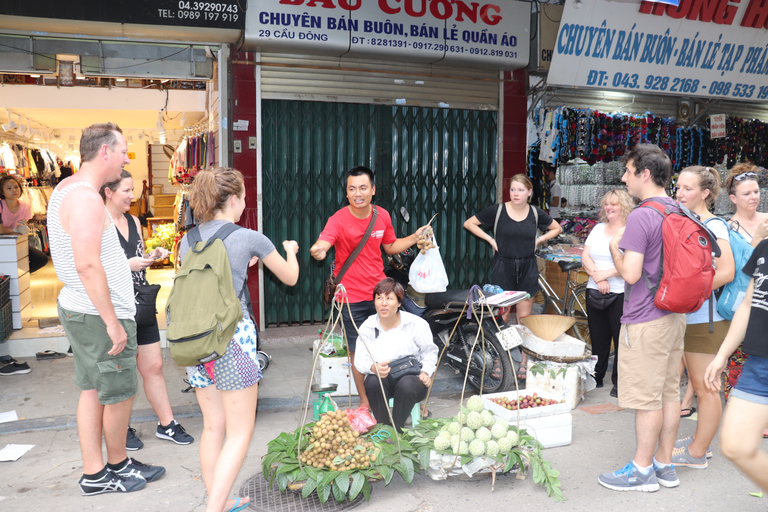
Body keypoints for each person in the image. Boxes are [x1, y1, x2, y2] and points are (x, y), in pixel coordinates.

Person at [48, 123, 165, 496]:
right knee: (117, 392)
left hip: (85, 310)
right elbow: (86, 264)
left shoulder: (68, 188)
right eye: (123, 151)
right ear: (104, 153)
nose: (126, 159)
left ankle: (98, 472)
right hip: (99, 315)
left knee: (93, 390)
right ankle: (113, 467)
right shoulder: (84, 197)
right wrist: (113, 322)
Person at [180, 167, 299, 512]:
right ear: (233, 200)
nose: (245, 203)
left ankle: (219, 498)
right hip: (233, 340)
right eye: (244, 197)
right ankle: (213, 509)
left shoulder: (188, 240)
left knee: (213, 428)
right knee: (239, 433)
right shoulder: (249, 237)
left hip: (196, 342)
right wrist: (289, 249)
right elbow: (290, 278)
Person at [598, 144, 686, 492]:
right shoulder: (677, 209)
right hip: (675, 315)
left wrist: (612, 251)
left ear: (644, 174)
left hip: (646, 319)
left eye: (628, 171)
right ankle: (665, 465)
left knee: (647, 399)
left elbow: (631, 274)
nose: (624, 177)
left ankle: (640, 470)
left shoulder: (642, 215)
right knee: (668, 393)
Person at [310, 166, 427, 408]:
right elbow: (324, 242)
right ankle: (365, 401)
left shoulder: (382, 215)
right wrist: (319, 249)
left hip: (380, 295)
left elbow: (390, 246)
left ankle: (396, 393)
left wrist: (415, 237)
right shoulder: (338, 219)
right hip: (350, 297)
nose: (357, 193)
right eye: (352, 189)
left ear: (372, 190)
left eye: (363, 188)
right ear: (346, 192)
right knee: (358, 352)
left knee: (394, 343)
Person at [101, 170, 194, 451]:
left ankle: (167, 424)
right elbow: (88, 269)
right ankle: (121, 427)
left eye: (132, 190)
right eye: (126, 191)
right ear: (108, 192)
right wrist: (126, 266)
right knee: (121, 371)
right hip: (114, 305)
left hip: (140, 301)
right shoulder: (98, 224)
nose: (133, 195)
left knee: (153, 366)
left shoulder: (133, 221)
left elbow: (134, 259)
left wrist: (150, 258)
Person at [463, 174, 562, 381]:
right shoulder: (498, 210)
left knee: (524, 319)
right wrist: (490, 239)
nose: (516, 194)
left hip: (527, 267)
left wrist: (539, 239)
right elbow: (469, 223)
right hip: (503, 266)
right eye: (513, 190)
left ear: (529, 192)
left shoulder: (535, 213)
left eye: (520, 190)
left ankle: (524, 362)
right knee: (502, 317)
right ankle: (502, 359)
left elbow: (556, 228)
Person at [671, 166, 735, 469]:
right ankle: (701, 442)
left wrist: (688, 292)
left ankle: (697, 453)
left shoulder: (715, 226)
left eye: (688, 188)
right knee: (699, 384)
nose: (680, 194)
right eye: (679, 187)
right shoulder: (686, 221)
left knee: (706, 388)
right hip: (689, 316)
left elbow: (726, 272)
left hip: (705, 318)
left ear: (705, 193)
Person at [703, 237, 768, 493]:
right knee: (735, 445)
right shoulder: (764, 248)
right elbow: (747, 305)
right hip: (759, 364)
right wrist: (722, 355)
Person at [354, 278, 438, 432]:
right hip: (384, 380)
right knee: (373, 382)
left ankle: (398, 428)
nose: (383, 303)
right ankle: (385, 429)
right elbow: (360, 360)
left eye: (389, 298)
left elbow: (430, 352)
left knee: (407, 385)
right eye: (379, 298)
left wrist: (426, 371)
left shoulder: (416, 324)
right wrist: (373, 367)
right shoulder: (368, 326)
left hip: (410, 379)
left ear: (399, 303)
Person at [721, 164, 767, 403]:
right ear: (733, 198)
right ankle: (742, 411)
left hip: (765, 301)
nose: (754, 197)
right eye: (747, 193)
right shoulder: (728, 229)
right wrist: (758, 238)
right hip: (742, 304)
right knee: (739, 359)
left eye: (756, 191)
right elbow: (737, 272)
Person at [580, 189, 633, 397]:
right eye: (607, 204)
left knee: (620, 339)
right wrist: (597, 276)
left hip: (620, 292)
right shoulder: (598, 228)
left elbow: (630, 263)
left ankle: (620, 382)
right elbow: (585, 256)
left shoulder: (630, 231)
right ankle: (596, 377)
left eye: (614, 204)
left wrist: (605, 275)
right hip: (595, 291)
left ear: (624, 207)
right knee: (598, 337)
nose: (609, 208)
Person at [0, 174, 49, 272]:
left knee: (41, 259)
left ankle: (21, 275)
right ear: (2, 192)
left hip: (18, 242)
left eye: (16, 187)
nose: (14, 190)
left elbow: (23, 228)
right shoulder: (1, 206)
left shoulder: (25, 206)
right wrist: (16, 230)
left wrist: (18, 230)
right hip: (2, 243)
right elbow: (1, 231)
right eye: (9, 188)